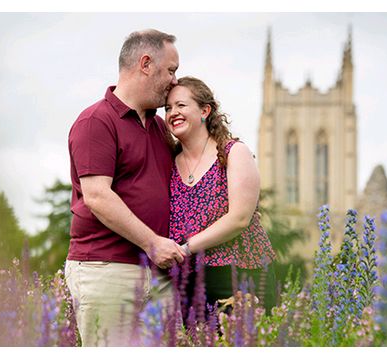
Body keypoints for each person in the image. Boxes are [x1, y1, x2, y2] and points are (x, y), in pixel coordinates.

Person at [65, 29, 186, 346]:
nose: (175, 81)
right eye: (171, 70)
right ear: (146, 63)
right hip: (107, 269)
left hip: (156, 274)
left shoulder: (160, 127)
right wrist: (153, 243)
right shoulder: (96, 121)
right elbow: (97, 196)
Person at [165, 76, 277, 315]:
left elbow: (239, 219)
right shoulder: (169, 163)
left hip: (239, 275)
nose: (173, 112)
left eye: (181, 105)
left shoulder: (233, 152)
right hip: (188, 282)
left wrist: (184, 249)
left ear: (205, 110)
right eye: (168, 108)